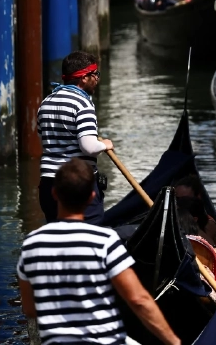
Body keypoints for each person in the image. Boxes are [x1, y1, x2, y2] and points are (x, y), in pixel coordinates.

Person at [18, 159, 182, 345]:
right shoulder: (105, 241)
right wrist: (174, 342)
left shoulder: (31, 245)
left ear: (54, 193)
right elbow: (139, 300)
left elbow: (30, 309)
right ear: (92, 196)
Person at [37, 51, 111, 225]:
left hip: (48, 184)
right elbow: (89, 147)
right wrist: (105, 145)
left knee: (57, 238)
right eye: (95, 74)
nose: (97, 79)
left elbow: (44, 140)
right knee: (90, 236)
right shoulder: (83, 103)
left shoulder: (46, 102)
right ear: (84, 78)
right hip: (76, 184)